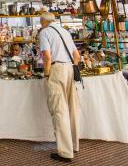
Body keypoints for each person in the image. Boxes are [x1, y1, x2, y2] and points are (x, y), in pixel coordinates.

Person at [38, 11, 80, 163]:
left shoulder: (44, 32)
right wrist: (72, 67)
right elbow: (77, 56)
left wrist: (47, 75)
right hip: (70, 69)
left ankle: (65, 152)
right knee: (71, 109)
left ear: (43, 22)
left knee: (59, 111)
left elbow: (47, 57)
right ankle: (74, 145)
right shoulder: (65, 31)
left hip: (56, 70)